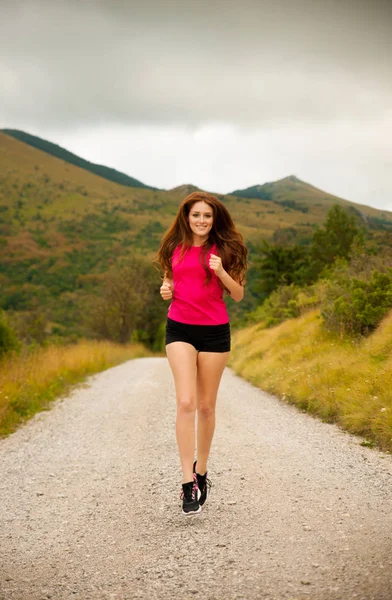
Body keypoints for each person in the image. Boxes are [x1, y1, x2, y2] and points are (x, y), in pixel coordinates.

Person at [155, 191, 248, 515]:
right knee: (186, 402)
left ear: (214, 219)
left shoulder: (227, 249)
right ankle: (186, 484)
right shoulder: (173, 248)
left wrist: (221, 271)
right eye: (196, 215)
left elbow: (237, 295)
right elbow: (169, 283)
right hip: (179, 328)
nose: (202, 221)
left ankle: (202, 470)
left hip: (214, 332)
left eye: (207, 216)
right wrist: (166, 289)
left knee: (206, 407)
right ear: (187, 217)